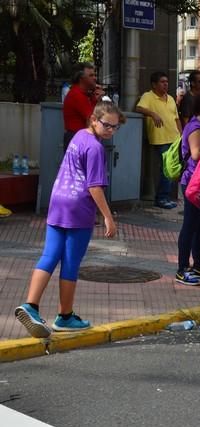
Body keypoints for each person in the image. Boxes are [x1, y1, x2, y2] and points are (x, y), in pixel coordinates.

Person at [14, 101, 122, 338]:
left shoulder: (79, 136)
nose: (111, 131)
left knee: (50, 255)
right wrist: (108, 217)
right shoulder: (95, 148)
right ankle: (65, 316)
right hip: (78, 207)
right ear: (94, 120)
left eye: (115, 127)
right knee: (70, 262)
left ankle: (30, 306)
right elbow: (94, 187)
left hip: (58, 200)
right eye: (107, 125)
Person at [175, 90, 200, 286]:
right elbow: (196, 154)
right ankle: (182, 268)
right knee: (190, 226)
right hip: (192, 181)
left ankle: (198, 264)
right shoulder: (196, 127)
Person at [136, 71, 183, 210]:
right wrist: (152, 114)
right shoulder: (148, 96)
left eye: (167, 82)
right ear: (154, 84)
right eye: (162, 82)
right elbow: (138, 108)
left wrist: (181, 135)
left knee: (170, 169)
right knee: (166, 169)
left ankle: (164, 197)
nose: (165, 84)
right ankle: (162, 198)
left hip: (174, 138)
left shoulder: (171, 99)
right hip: (160, 139)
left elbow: (176, 119)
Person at [62, 62, 102, 150]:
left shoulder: (83, 94)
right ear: (82, 78)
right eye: (91, 75)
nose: (95, 78)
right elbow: (92, 120)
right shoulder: (77, 95)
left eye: (94, 75)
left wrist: (95, 98)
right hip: (77, 139)